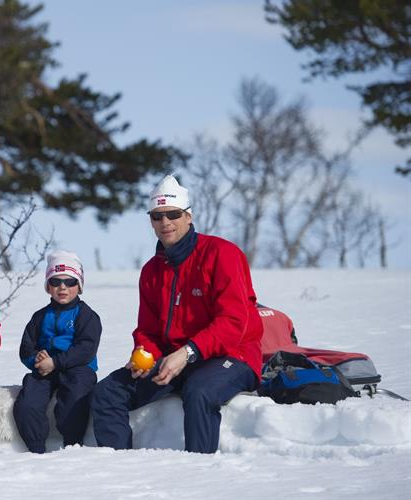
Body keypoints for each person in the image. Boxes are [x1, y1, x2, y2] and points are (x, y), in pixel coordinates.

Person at [91, 174, 263, 454]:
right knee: (108, 393)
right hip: (174, 360)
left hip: (232, 356)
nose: (165, 222)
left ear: (188, 216)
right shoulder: (151, 271)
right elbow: (147, 329)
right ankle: (120, 471)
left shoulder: (222, 254)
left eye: (173, 214)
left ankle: (199, 472)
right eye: (157, 216)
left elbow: (233, 323)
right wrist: (143, 355)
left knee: (199, 391)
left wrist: (188, 352)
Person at [13, 251, 101, 453]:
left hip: (78, 369)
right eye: (56, 281)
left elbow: (86, 349)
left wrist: (56, 362)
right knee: (27, 405)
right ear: (48, 287)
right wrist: (37, 359)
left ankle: (72, 445)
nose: (63, 287)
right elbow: (26, 347)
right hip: (44, 369)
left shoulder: (87, 316)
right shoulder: (39, 316)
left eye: (70, 282)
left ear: (79, 286)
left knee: (75, 398)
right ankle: (36, 449)